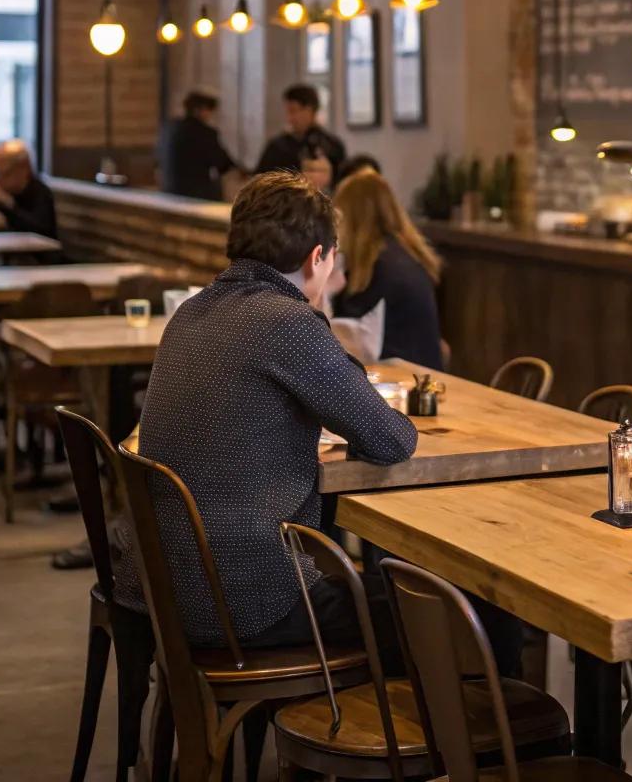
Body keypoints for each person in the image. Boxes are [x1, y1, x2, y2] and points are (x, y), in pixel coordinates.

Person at [116, 171, 417, 649]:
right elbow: (392, 440)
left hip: (163, 583)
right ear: (317, 257)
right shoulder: (287, 322)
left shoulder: (191, 311)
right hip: (244, 598)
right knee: (430, 611)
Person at [332, 171, 444, 370]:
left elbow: (344, 341)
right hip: (425, 374)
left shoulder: (374, 267)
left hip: (398, 377)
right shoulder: (408, 254)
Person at [159, 89, 241, 201]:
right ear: (199, 110)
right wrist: (241, 171)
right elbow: (222, 164)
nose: (210, 115)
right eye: (209, 110)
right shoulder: (204, 132)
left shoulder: (168, 128)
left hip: (169, 190)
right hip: (194, 194)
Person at [256, 84, 346, 178]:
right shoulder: (276, 147)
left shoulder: (332, 146)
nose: (289, 119)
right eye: (288, 112)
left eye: (293, 111)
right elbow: (259, 180)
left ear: (309, 110)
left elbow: (342, 182)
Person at [0, 139, 57, 238]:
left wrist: (10, 206)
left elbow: (42, 231)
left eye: (5, 173)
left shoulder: (40, 193)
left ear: (24, 169)